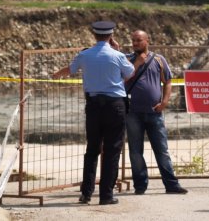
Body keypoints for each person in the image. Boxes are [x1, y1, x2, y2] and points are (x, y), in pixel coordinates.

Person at [53, 21, 134, 205]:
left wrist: (57, 74)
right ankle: (106, 195)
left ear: (94, 35)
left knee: (92, 149)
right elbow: (130, 73)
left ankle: (86, 193)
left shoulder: (85, 54)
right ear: (111, 35)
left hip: (94, 105)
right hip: (115, 105)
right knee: (112, 150)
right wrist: (119, 51)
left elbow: (71, 70)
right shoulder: (118, 55)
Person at [125, 30, 187, 195]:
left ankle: (171, 185)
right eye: (133, 41)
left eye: (138, 40)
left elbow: (167, 81)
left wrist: (165, 101)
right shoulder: (127, 60)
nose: (135, 43)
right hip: (132, 113)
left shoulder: (159, 59)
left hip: (154, 113)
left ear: (147, 40)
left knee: (161, 149)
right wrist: (137, 63)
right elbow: (121, 80)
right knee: (135, 152)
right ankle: (140, 186)